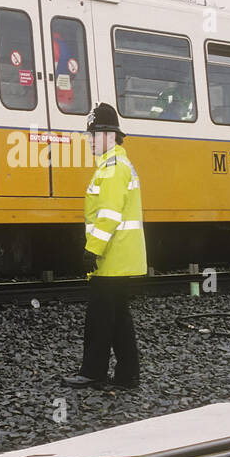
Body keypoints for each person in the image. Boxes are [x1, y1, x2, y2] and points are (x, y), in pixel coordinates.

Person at [63, 103, 146, 389]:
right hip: (120, 257)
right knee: (119, 318)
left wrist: (92, 250)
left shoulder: (112, 168)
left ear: (110, 135)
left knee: (99, 319)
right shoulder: (118, 165)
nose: (89, 141)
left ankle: (93, 372)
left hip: (111, 258)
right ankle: (128, 375)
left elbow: (109, 215)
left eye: (94, 134)